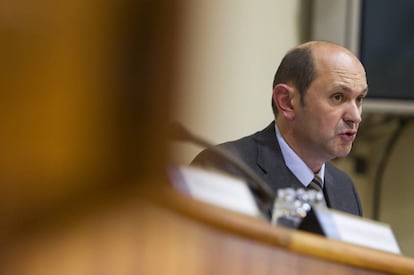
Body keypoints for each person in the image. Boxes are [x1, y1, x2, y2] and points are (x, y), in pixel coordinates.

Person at [191, 41, 367, 217]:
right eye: (338, 97)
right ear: (287, 102)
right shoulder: (222, 170)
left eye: (359, 99)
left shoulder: (344, 188)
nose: (355, 117)